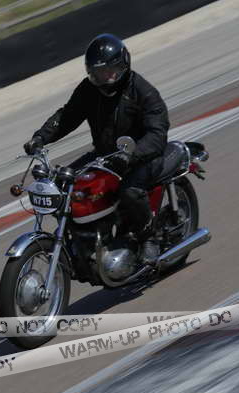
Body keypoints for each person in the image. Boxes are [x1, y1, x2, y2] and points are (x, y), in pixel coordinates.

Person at [24, 33, 170, 265]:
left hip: (143, 156)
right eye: (98, 73)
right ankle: (82, 238)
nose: (105, 77)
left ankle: (148, 237)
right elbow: (67, 116)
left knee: (130, 191)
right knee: (62, 184)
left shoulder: (142, 91)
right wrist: (41, 137)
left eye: (110, 71)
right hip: (105, 155)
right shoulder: (89, 90)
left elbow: (157, 134)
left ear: (123, 65)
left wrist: (131, 155)